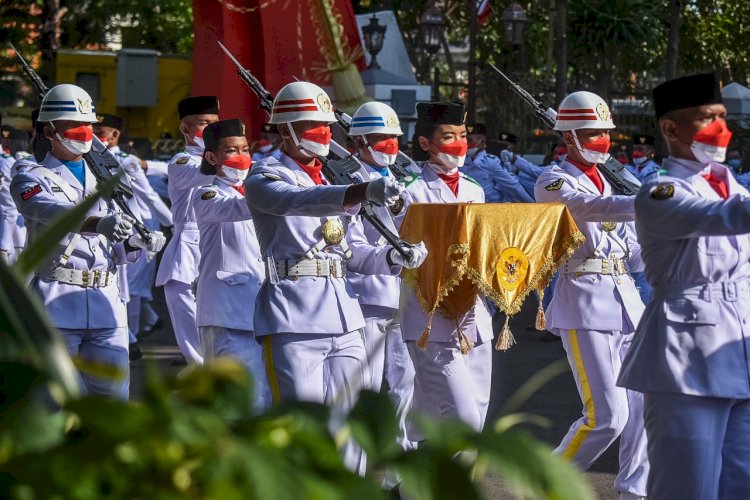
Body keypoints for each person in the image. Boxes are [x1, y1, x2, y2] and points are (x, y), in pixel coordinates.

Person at [245, 81, 427, 473]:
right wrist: (361, 190)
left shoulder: (329, 180)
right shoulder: (263, 176)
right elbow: (295, 203)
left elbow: (351, 253)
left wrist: (394, 256)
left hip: (344, 314)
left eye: (328, 126)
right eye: (313, 126)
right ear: (284, 130)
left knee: (351, 428)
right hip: (292, 315)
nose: (325, 134)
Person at [618, 73, 750, 500]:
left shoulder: (732, 185)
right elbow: (724, 218)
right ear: (671, 129)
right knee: (685, 487)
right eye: (706, 118)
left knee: (740, 483)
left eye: (722, 117)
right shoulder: (660, 192)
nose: (720, 129)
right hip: (685, 361)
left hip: (739, 353)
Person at [10, 84, 165, 398]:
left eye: (88, 125)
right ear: (49, 130)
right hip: (56, 298)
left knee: (114, 401)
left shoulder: (106, 175)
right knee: (57, 400)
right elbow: (48, 210)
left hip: (106, 300)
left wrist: (135, 242)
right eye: (72, 125)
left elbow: (117, 244)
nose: (83, 132)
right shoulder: (30, 172)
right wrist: (98, 223)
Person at [534, 91, 648, 500]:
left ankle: (635, 492)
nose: (602, 140)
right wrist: (648, 200)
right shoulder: (552, 180)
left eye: (605, 132)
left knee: (643, 411)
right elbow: (589, 207)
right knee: (607, 416)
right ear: (569, 137)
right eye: (593, 133)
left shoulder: (615, 182)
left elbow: (634, 254)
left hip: (627, 304)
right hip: (584, 303)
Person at [397, 102, 494, 435]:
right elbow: (396, 252)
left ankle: (409, 486)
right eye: (448, 135)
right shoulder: (410, 191)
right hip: (430, 316)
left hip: (474, 316)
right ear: (425, 143)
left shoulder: (474, 190)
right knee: (462, 421)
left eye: (463, 135)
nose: (459, 143)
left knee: (463, 415)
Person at [346, 100, 418, 456]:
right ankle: (361, 459)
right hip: (365, 295)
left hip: (401, 294)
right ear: (359, 142)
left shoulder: (399, 179)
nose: (390, 145)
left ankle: (396, 462)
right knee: (368, 385)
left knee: (404, 382)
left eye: (394, 138)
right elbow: (350, 245)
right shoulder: (345, 180)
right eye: (381, 138)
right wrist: (389, 257)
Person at [192, 119, 270, 410]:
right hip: (225, 312)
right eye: (231, 151)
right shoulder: (206, 194)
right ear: (212, 157)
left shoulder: (251, 190)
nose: (241, 156)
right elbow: (238, 209)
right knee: (231, 401)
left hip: (260, 309)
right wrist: (274, 189)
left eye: (245, 149)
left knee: (261, 397)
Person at [94, 113, 173, 348]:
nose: (96, 138)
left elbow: (149, 195)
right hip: (107, 227)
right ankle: (136, 329)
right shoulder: (90, 158)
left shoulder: (127, 161)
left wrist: (170, 223)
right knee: (117, 281)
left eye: (100, 133)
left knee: (134, 287)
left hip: (138, 227)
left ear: (115, 135)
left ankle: (132, 339)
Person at [155, 96, 219, 364]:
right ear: (185, 129)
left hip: (221, 251)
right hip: (188, 256)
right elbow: (205, 173)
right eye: (205, 124)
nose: (213, 131)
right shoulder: (181, 162)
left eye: (217, 124)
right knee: (198, 350)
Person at [462, 124, 533, 203]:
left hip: (489, 208)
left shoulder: (490, 162)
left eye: (470, 140)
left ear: (481, 142)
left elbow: (513, 186)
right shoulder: (460, 161)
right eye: (465, 140)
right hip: (467, 208)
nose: (466, 144)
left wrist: (532, 205)